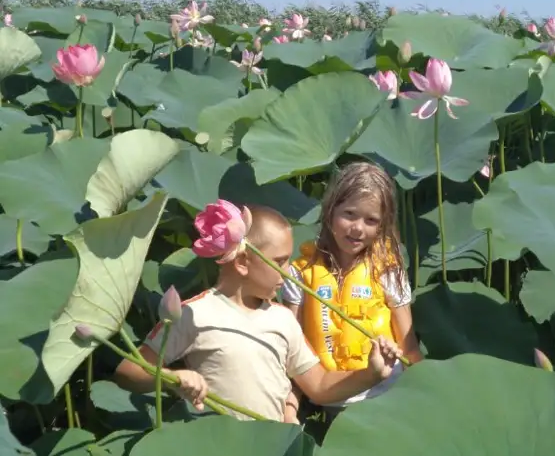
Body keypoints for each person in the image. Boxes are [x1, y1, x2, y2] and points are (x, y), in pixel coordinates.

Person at [113, 203, 404, 424]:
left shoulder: (282, 318)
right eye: (279, 261)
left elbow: (318, 387)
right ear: (242, 263)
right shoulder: (193, 313)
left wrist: (371, 374)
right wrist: (173, 377)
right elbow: (128, 372)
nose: (288, 271)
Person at [281, 161, 424, 442]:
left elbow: (410, 348)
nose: (358, 228)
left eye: (371, 220)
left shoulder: (388, 271)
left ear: (383, 225)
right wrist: (289, 406)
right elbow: (292, 349)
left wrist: (426, 402)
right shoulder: (300, 273)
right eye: (349, 214)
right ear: (330, 210)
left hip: (388, 399)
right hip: (332, 402)